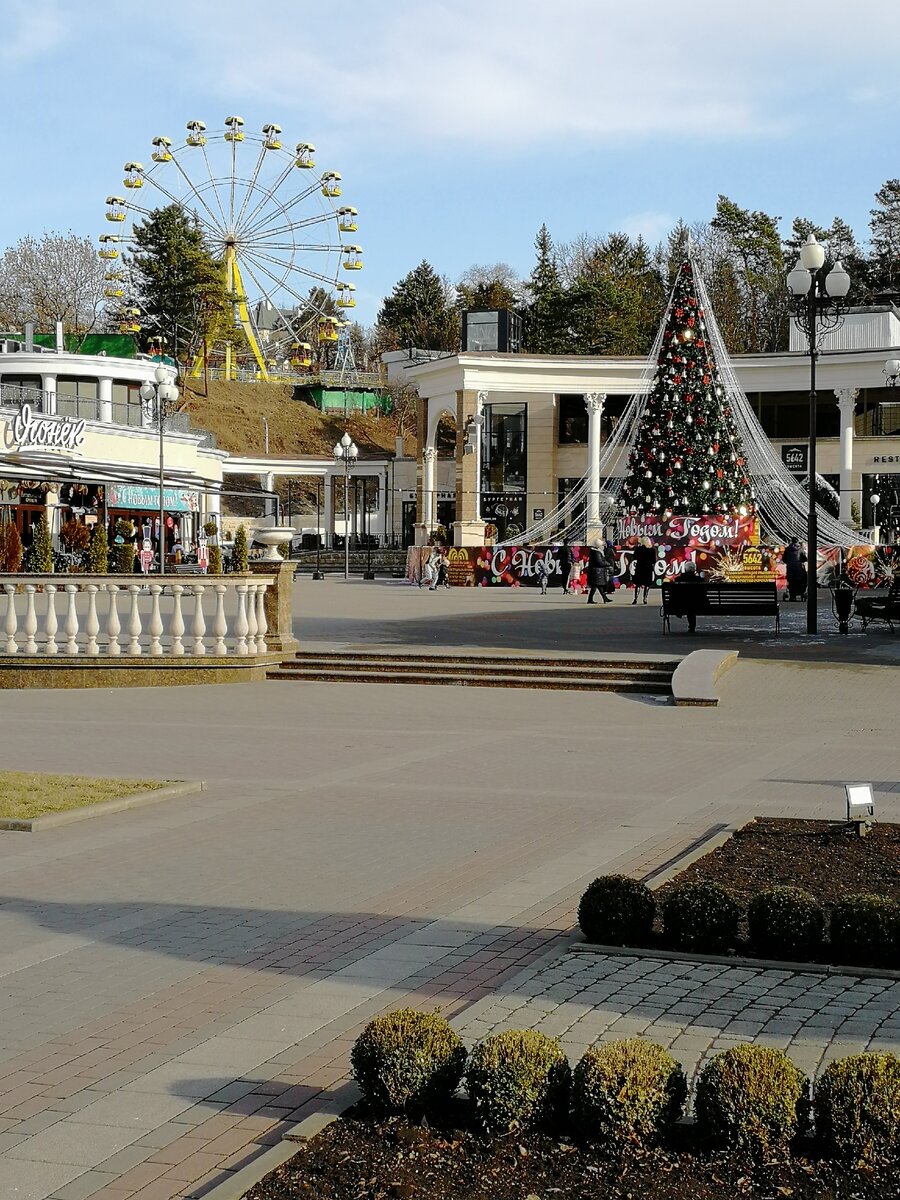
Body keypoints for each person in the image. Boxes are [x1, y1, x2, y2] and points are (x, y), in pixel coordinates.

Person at [669, 560, 706, 633]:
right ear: (694, 570)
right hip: (699, 605)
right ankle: (692, 626)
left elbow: (673, 594)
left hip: (682, 605)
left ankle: (690, 625)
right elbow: (704, 593)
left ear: (685, 569)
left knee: (688, 603)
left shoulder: (678, 579)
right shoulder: (700, 580)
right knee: (692, 604)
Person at [586, 540, 612, 604]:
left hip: (596, 571)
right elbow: (599, 562)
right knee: (596, 586)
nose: (602, 547)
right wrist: (607, 563)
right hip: (597, 571)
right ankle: (602, 598)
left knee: (597, 586)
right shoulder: (596, 553)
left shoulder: (594, 552)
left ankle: (604, 598)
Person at [781, 537, 808, 601]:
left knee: (791, 581)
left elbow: (784, 559)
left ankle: (792, 596)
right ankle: (801, 592)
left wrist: (789, 562)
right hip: (799, 569)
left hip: (790, 569)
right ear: (797, 542)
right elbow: (805, 558)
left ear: (791, 541)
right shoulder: (801, 549)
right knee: (801, 580)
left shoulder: (787, 549)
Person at [631, 537, 655, 605]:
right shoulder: (652, 550)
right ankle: (645, 599)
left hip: (639, 568)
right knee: (647, 585)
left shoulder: (638, 549)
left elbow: (634, 557)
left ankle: (635, 599)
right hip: (648, 569)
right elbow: (653, 561)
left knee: (638, 584)